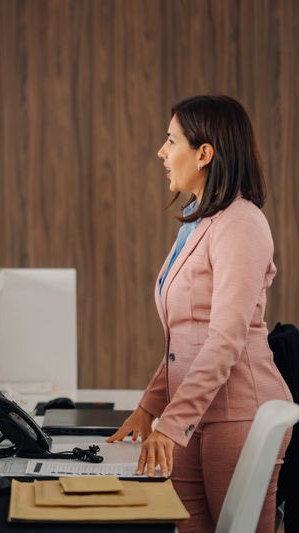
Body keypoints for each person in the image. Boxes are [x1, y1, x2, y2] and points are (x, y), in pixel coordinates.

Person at [107, 96, 292, 532]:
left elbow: (224, 340)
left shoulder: (241, 224)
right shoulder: (196, 222)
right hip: (191, 414)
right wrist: (148, 409)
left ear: (204, 153)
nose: (162, 152)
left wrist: (170, 424)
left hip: (236, 415)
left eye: (171, 141)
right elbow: (184, 339)